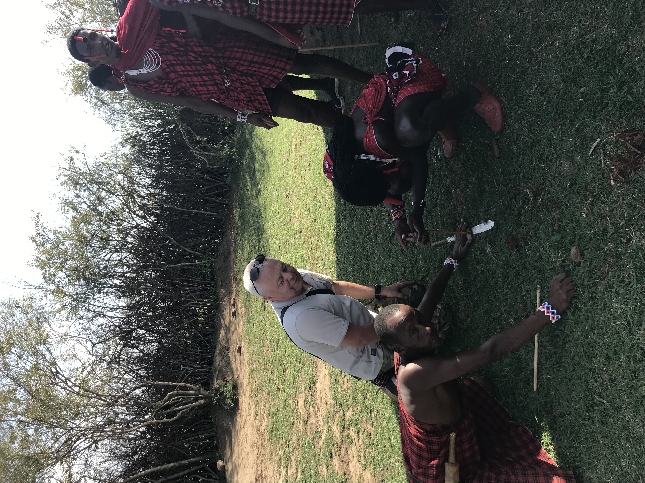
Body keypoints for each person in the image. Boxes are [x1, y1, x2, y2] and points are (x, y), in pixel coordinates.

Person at [372, 224, 577, 483]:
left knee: (479, 385)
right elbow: (490, 351)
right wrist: (551, 309)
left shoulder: (407, 337)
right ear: (400, 349)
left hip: (456, 427)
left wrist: (453, 259)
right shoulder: (415, 374)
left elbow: (429, 300)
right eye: (416, 332)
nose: (427, 328)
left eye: (420, 321)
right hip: (448, 467)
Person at [66, 0, 371, 128]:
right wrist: (242, 116)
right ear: (91, 60)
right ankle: (363, 129)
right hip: (232, 92)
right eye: (89, 47)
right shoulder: (135, 86)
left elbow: (177, 14)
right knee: (304, 112)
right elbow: (193, 101)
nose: (97, 42)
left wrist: (189, 15)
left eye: (92, 36)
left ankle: (375, 81)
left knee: (304, 63)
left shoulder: (133, 26)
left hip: (231, 51)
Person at [323, 46, 503, 249]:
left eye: (383, 181)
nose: (389, 184)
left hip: (412, 78)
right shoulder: (339, 169)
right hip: (397, 115)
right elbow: (383, 186)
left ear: (371, 167)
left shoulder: (378, 140)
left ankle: (473, 95)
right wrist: (398, 217)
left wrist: (418, 206)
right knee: (400, 183)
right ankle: (439, 122)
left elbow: (418, 159)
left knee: (411, 132)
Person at [242, 254, 414, 393]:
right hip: (375, 355)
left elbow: (336, 287)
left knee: (410, 295)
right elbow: (361, 338)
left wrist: (381, 291)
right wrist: (400, 321)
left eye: (284, 267)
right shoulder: (300, 319)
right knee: (423, 324)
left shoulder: (296, 279)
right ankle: (391, 379)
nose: (289, 275)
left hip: (366, 321)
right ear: (269, 298)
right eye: (281, 281)